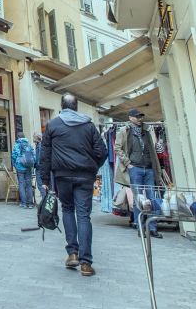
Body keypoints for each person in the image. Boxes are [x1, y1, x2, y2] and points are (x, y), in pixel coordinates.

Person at [39, 94, 109, 276]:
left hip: (62, 175)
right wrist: (93, 166)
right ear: (76, 107)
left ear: (61, 106)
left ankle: (72, 254)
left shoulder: (53, 125)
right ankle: (86, 263)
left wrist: (45, 180)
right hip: (85, 176)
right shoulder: (88, 125)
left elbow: (45, 155)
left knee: (68, 210)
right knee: (84, 215)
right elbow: (102, 151)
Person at [115, 108, 166, 238]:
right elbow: (117, 148)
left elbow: (152, 150)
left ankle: (152, 228)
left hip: (148, 168)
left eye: (141, 117)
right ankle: (140, 227)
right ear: (130, 117)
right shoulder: (124, 131)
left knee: (151, 199)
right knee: (139, 199)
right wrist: (128, 164)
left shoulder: (147, 130)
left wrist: (157, 170)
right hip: (135, 168)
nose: (140, 119)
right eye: (137, 117)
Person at [11, 135, 36, 208]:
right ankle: (30, 204)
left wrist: (16, 165)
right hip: (28, 168)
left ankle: (24, 203)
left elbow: (13, 156)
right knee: (29, 185)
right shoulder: (29, 144)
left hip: (20, 168)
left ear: (18, 137)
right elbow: (34, 156)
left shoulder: (17, 145)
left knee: (21, 185)